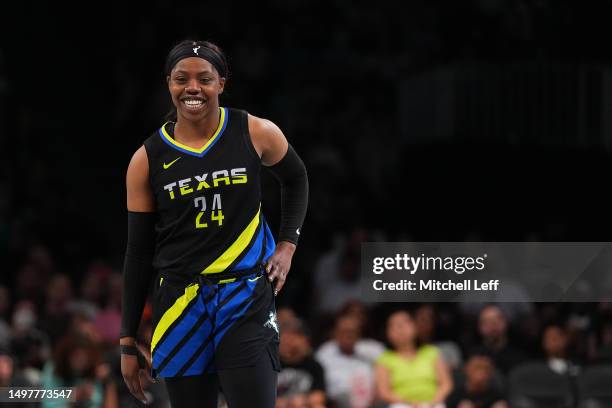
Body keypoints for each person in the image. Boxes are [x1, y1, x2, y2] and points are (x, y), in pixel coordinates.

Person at [119, 39, 309, 408]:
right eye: (181, 79)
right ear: (169, 84)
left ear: (221, 83)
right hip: (179, 303)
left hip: (244, 294)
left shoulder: (254, 130)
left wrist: (288, 244)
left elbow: (296, 177)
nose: (193, 88)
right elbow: (138, 252)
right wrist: (128, 340)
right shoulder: (146, 159)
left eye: (204, 78)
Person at [375, 310, 452, 408]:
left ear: (415, 327)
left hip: (433, 403)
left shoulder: (431, 352)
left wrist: (433, 402)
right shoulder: (384, 359)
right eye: (394, 326)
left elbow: (446, 384)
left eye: (404, 324)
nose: (400, 329)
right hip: (402, 404)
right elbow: (384, 392)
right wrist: (410, 403)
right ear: (387, 333)